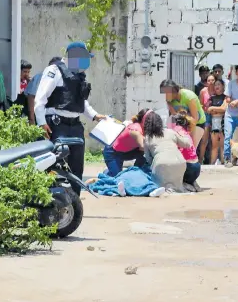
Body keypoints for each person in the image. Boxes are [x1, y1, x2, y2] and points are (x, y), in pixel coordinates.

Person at [34, 41, 107, 195]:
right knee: (55, 166)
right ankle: (53, 202)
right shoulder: (54, 70)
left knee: (77, 168)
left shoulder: (78, 75)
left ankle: (74, 203)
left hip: (75, 126)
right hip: (56, 124)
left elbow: (81, 102)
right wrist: (41, 123)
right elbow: (40, 99)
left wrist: (94, 115)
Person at [143, 111, 192, 193]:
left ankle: (167, 188)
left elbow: (148, 159)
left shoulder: (147, 138)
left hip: (160, 164)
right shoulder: (170, 132)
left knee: (159, 185)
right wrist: (184, 133)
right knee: (176, 183)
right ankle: (180, 186)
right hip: (180, 162)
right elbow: (187, 144)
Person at [160, 79, 206, 149]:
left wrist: (186, 135)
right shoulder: (171, 100)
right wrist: (169, 103)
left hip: (197, 123)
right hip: (184, 125)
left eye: (167, 92)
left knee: (191, 148)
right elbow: (174, 117)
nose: (165, 95)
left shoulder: (188, 96)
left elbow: (195, 118)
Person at [102, 108, 149, 176]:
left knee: (144, 153)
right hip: (112, 152)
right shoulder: (136, 128)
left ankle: (136, 172)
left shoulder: (146, 129)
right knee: (116, 178)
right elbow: (143, 146)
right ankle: (106, 173)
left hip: (126, 152)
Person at [24, 56, 62, 125]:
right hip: (37, 115)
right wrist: (32, 119)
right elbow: (31, 97)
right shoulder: (41, 76)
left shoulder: (62, 79)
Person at [172, 112, 202, 192]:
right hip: (197, 167)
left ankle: (183, 184)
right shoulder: (186, 133)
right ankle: (192, 181)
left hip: (188, 168)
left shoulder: (175, 131)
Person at [207, 79, 227, 164]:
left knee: (222, 145)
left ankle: (223, 163)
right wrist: (218, 110)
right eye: (215, 85)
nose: (217, 86)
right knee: (214, 146)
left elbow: (224, 109)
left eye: (219, 84)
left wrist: (214, 109)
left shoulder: (226, 97)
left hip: (223, 124)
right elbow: (209, 110)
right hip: (214, 124)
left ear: (223, 86)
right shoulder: (211, 98)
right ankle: (212, 164)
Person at [198, 73, 216, 163]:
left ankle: (213, 161)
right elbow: (200, 105)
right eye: (209, 80)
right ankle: (201, 159)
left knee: (215, 140)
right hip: (206, 115)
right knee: (204, 139)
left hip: (216, 115)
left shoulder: (218, 90)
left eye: (212, 80)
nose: (211, 82)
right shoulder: (203, 91)